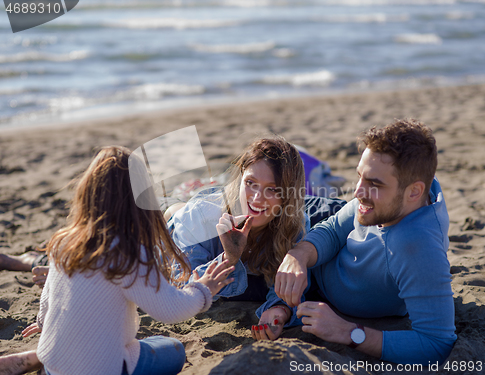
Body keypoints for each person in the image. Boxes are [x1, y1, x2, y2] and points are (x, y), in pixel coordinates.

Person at [0, 146, 234, 375]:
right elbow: (171, 310)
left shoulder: (64, 242)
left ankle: (38, 357)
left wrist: (43, 322)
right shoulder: (129, 254)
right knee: (173, 349)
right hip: (104, 369)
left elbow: (48, 297)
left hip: (54, 365)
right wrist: (203, 289)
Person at [255, 119, 456, 365]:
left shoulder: (418, 249)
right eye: (360, 177)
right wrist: (298, 255)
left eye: (374, 184)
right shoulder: (398, 198)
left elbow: (436, 344)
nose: (357, 191)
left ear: (414, 192)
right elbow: (332, 230)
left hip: (322, 281)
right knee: (236, 210)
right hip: (319, 220)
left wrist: (347, 332)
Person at [167, 136, 345, 339]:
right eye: (250, 183)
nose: (257, 198)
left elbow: (287, 284)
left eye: (273, 189)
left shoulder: (293, 222)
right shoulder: (199, 216)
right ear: (240, 177)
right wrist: (228, 258)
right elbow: (183, 290)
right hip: (177, 222)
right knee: (172, 211)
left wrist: (279, 310)